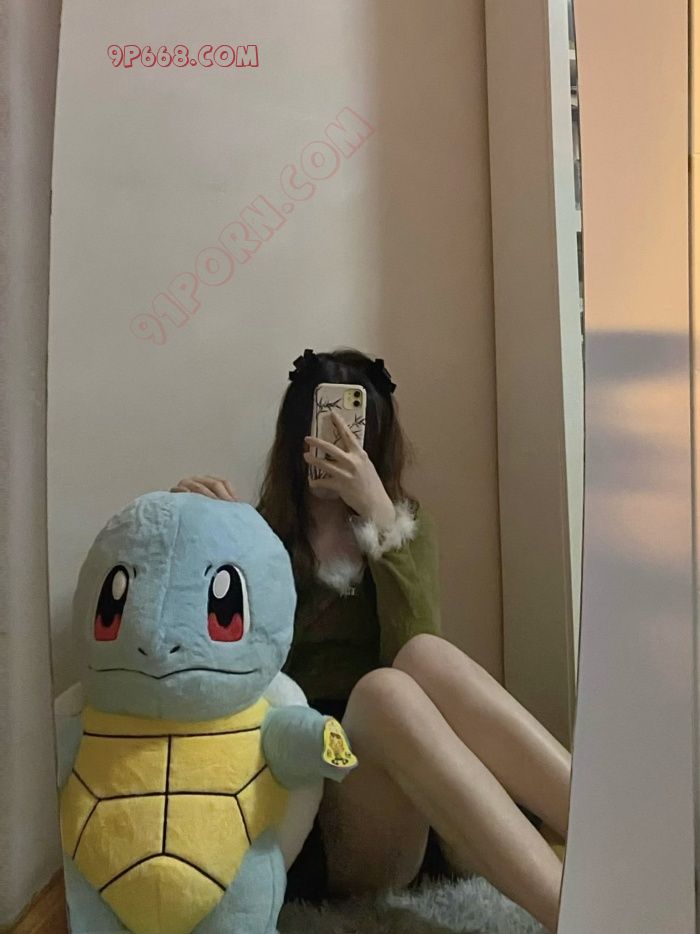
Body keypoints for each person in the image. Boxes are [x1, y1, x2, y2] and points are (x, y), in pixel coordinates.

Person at [170, 348, 570, 933]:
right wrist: (222, 539)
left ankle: (610, 840)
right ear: (296, 436)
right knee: (383, 692)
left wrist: (381, 518)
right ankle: (581, 914)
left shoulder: (404, 528)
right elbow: (236, 672)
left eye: (352, 427)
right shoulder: (260, 534)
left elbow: (411, 645)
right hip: (320, 799)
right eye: (323, 425)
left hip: (400, 786)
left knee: (414, 662)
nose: (337, 441)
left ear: (375, 438)